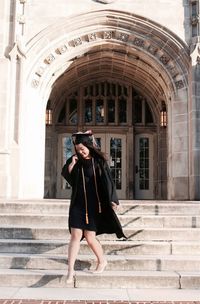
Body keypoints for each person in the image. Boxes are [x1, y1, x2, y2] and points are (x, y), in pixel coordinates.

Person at [61, 130, 126, 283]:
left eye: (83, 149)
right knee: (75, 236)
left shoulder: (99, 161)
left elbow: (108, 181)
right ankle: (70, 271)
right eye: (78, 150)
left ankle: (102, 260)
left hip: (93, 205)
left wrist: (113, 200)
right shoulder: (75, 160)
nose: (81, 152)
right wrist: (71, 166)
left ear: (89, 146)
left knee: (90, 238)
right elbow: (68, 176)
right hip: (78, 204)